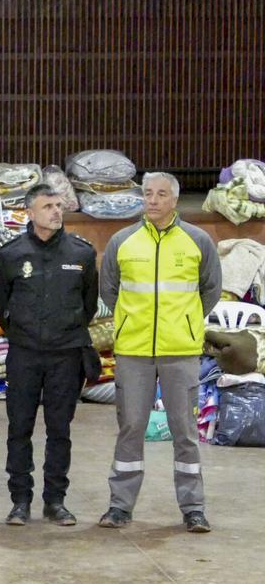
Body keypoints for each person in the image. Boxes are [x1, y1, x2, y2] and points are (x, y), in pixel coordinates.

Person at [98, 172, 221, 533]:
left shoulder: (197, 240)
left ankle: (193, 508)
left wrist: (184, 321)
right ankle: (120, 507)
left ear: (174, 200)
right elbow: (109, 291)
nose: (152, 200)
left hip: (180, 352)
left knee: (184, 430)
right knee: (131, 427)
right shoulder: (123, 241)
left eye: (161, 194)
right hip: (133, 351)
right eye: (147, 193)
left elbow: (210, 289)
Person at [0, 184, 98, 527]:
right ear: (30, 212)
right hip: (24, 355)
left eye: (58, 205)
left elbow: (89, 305)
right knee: (19, 429)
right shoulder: (10, 254)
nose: (56, 211)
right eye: (47, 206)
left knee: (59, 430)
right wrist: (21, 333)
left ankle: (55, 501)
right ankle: (20, 500)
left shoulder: (81, 254)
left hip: (65, 355)